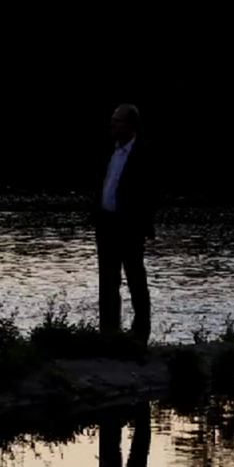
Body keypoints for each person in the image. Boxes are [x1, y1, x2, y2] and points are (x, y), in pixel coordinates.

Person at [96, 103, 156, 345]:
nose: (113, 125)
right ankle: (108, 333)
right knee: (108, 281)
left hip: (130, 227)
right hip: (107, 224)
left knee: (135, 280)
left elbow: (150, 193)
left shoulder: (143, 153)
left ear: (131, 125)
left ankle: (140, 334)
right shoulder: (110, 151)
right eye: (113, 120)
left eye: (118, 121)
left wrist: (140, 224)